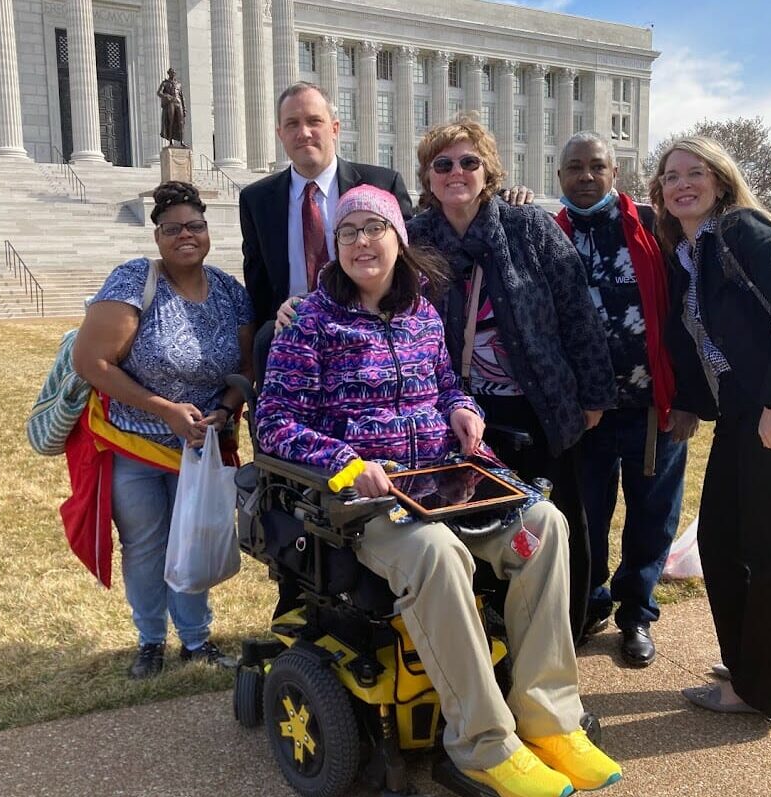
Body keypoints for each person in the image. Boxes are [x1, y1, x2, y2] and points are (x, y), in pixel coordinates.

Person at [256, 184, 622, 797]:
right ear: (336, 247)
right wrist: (345, 462)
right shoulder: (310, 324)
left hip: (442, 479)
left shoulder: (422, 314)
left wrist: (462, 411)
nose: (362, 242)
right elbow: (274, 423)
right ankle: (482, 743)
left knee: (546, 526)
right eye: (349, 232)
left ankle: (547, 718)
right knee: (437, 554)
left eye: (376, 229)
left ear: (400, 240)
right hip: (361, 500)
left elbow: (446, 385)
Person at [406, 117, 617, 643]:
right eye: (443, 164)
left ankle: (565, 629)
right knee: (475, 523)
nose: (457, 172)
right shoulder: (413, 240)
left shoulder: (528, 228)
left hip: (538, 404)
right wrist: (300, 305)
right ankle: (495, 634)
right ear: (429, 178)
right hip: (455, 413)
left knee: (555, 520)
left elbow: (576, 314)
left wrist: (592, 393)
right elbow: (357, 282)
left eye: (469, 162)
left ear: (489, 171)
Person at [650, 136, 771, 718]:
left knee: (765, 546)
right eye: (670, 176)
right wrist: (692, 407)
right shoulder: (690, 254)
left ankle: (757, 692)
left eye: (694, 172)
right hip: (741, 410)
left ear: (721, 181)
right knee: (724, 541)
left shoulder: (742, 230)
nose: (681, 184)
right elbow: (711, 344)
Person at [72, 181, 253, 679]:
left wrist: (226, 406)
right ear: (157, 237)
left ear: (208, 231)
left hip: (198, 447)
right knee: (147, 543)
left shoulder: (230, 293)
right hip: (134, 441)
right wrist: (163, 409)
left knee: (193, 538)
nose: (185, 236)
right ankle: (150, 639)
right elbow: (90, 360)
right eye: (172, 229)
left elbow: (247, 365)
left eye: (195, 226)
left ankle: (196, 640)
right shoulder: (135, 280)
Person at [554, 132, 698, 667]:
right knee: (583, 516)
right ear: (560, 176)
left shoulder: (652, 227)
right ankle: (588, 605)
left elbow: (688, 315)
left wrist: (686, 398)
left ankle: (635, 612)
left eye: (597, 166)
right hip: (585, 413)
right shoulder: (549, 233)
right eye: (575, 168)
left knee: (652, 513)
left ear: (616, 172)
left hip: (651, 405)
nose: (586, 176)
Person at [239, 81, 414, 332]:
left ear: (334, 128)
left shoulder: (382, 184)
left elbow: (407, 262)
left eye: (314, 121)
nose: (304, 133)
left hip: (370, 335)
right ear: (280, 134)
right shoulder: (256, 200)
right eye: (292, 124)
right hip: (292, 336)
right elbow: (258, 282)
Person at [158, 68, 187, 147]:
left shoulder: (178, 84)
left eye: (174, 72)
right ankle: (170, 141)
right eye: (171, 73)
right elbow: (159, 93)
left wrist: (184, 109)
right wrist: (166, 96)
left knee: (181, 122)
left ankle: (181, 141)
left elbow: (182, 97)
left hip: (179, 102)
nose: (173, 74)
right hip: (171, 103)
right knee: (171, 121)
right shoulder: (165, 83)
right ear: (169, 73)